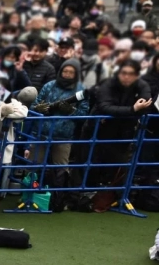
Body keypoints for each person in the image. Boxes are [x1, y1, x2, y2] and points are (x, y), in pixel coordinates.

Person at [30, 58, 90, 211]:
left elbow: (84, 115)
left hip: (63, 136)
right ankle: (30, 195)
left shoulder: (80, 91)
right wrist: (39, 109)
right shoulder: (49, 86)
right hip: (41, 133)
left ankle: (57, 199)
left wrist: (70, 111)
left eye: (71, 72)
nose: (67, 74)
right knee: (34, 165)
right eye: (65, 71)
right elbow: (33, 106)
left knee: (60, 169)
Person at [91, 59, 153, 190]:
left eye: (130, 74)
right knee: (92, 163)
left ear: (136, 75)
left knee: (118, 166)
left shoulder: (142, 86)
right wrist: (132, 110)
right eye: (123, 73)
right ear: (118, 73)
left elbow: (146, 106)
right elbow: (105, 107)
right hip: (99, 130)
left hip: (125, 133)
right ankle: (87, 194)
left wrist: (131, 111)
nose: (126, 77)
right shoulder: (108, 84)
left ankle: (112, 195)